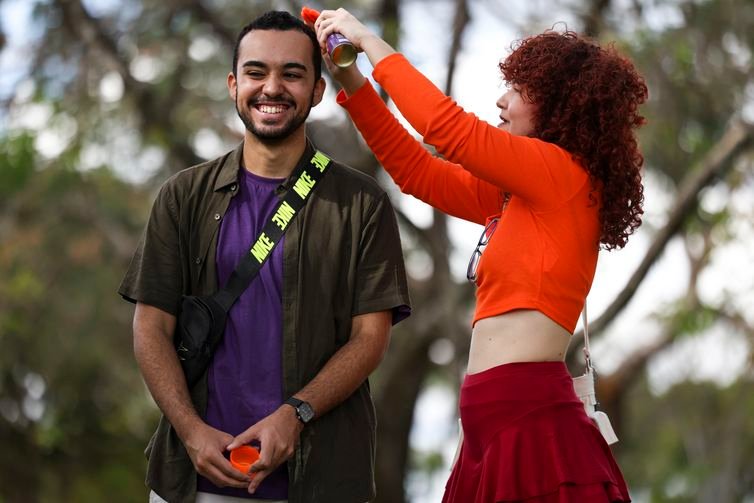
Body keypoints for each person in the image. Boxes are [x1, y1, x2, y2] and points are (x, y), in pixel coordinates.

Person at [314, 8, 647, 503]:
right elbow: (417, 174)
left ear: (557, 106)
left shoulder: (560, 175)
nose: (501, 99)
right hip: (484, 431)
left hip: (528, 423)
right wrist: (353, 81)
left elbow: (446, 129)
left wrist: (367, 40)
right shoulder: (520, 195)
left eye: (518, 90)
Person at [119, 10, 411, 503]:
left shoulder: (362, 203)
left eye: (292, 74)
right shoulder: (183, 196)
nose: (271, 88)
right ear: (234, 84)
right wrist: (191, 432)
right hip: (193, 481)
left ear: (318, 90)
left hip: (321, 483)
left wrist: (294, 413)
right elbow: (150, 329)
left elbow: (370, 340)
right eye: (256, 72)